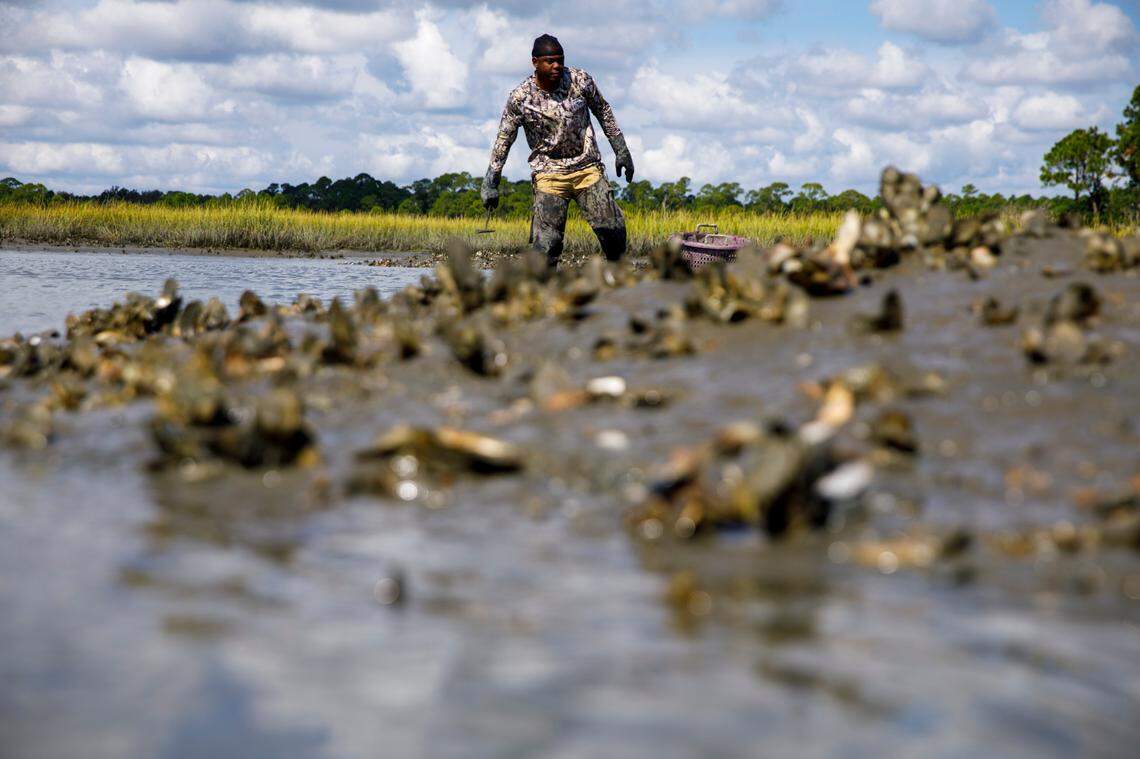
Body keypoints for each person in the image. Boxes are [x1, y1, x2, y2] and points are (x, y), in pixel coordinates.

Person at [480, 34, 634, 268]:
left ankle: (617, 286)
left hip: (587, 167)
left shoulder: (580, 80)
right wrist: (491, 181)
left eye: (560, 60)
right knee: (547, 247)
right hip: (549, 173)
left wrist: (621, 150)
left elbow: (603, 111)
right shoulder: (520, 98)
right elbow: (504, 138)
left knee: (612, 233)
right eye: (550, 61)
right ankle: (545, 297)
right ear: (535, 62)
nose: (557, 66)